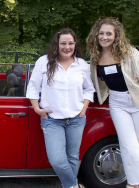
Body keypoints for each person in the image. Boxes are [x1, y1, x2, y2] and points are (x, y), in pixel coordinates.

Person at [26, 28, 95, 188]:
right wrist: (37, 108)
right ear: (56, 45)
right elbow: (33, 87)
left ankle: (69, 186)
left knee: (72, 156)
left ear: (75, 44)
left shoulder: (81, 64)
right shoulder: (44, 62)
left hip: (77, 119)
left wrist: (84, 108)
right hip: (52, 120)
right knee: (57, 160)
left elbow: (89, 89)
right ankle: (73, 185)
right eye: (63, 43)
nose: (67, 47)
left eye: (70, 43)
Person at [86, 17, 139, 188]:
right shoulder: (95, 57)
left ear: (116, 35)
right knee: (129, 147)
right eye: (101, 33)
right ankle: (133, 184)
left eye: (109, 33)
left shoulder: (129, 53)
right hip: (117, 103)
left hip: (137, 100)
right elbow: (94, 81)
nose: (104, 37)